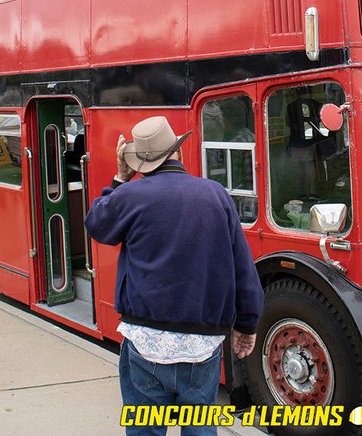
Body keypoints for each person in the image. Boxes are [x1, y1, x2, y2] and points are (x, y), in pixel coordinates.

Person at [85, 116, 264, 436]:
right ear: (177, 152)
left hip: (144, 340)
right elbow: (241, 266)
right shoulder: (216, 194)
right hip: (203, 342)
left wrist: (120, 179)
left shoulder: (131, 196)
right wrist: (246, 325)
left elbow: (97, 224)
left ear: (141, 163)